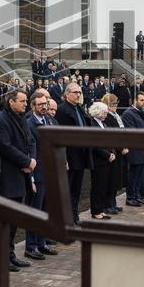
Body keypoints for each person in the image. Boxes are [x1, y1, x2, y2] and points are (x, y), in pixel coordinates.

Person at [0, 89, 36, 271]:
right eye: (23, 101)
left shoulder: (21, 118)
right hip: (9, 176)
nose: (26, 104)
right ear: (11, 102)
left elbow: (30, 141)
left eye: (26, 101)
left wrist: (31, 161)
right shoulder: (0, 121)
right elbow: (5, 146)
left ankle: (10, 254)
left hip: (22, 173)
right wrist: (26, 161)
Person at [24, 90, 59, 260]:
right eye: (40, 105)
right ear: (33, 106)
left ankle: (41, 242)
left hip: (50, 171)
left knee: (45, 210)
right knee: (35, 210)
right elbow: (31, 151)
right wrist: (31, 177)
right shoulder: (29, 124)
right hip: (38, 173)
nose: (44, 107)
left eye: (45, 104)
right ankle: (31, 246)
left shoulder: (49, 121)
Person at [55, 82, 92, 225]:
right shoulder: (62, 110)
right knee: (68, 189)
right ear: (67, 94)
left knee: (76, 190)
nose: (78, 95)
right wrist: (64, 158)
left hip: (81, 155)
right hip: (70, 156)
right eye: (75, 92)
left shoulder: (80, 109)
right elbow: (60, 136)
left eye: (79, 92)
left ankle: (74, 217)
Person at [122, 91, 144, 206]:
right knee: (134, 174)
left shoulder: (140, 112)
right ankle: (130, 197)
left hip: (142, 149)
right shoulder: (128, 113)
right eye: (141, 100)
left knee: (140, 175)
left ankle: (137, 195)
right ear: (134, 100)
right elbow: (132, 133)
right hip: (135, 150)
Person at [87, 102, 117, 219]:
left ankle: (101, 208)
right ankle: (96, 211)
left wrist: (113, 152)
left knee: (104, 185)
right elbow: (94, 144)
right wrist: (107, 155)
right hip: (99, 160)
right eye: (104, 112)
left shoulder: (103, 123)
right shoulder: (92, 124)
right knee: (97, 186)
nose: (106, 114)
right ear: (98, 112)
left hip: (108, 159)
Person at [100, 92, 127, 213]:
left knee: (116, 179)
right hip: (113, 150)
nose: (115, 106)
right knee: (110, 180)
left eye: (116, 103)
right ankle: (107, 204)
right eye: (113, 103)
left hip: (120, 150)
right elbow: (113, 134)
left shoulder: (116, 115)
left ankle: (113, 202)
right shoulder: (108, 117)